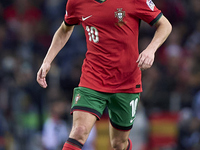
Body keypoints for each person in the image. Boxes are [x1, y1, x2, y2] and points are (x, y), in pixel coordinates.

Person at [37, 0, 172, 149]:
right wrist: (47, 61)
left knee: (119, 143)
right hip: (93, 78)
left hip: (127, 81)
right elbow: (64, 29)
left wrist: (150, 50)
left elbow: (165, 25)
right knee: (79, 131)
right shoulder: (76, 2)